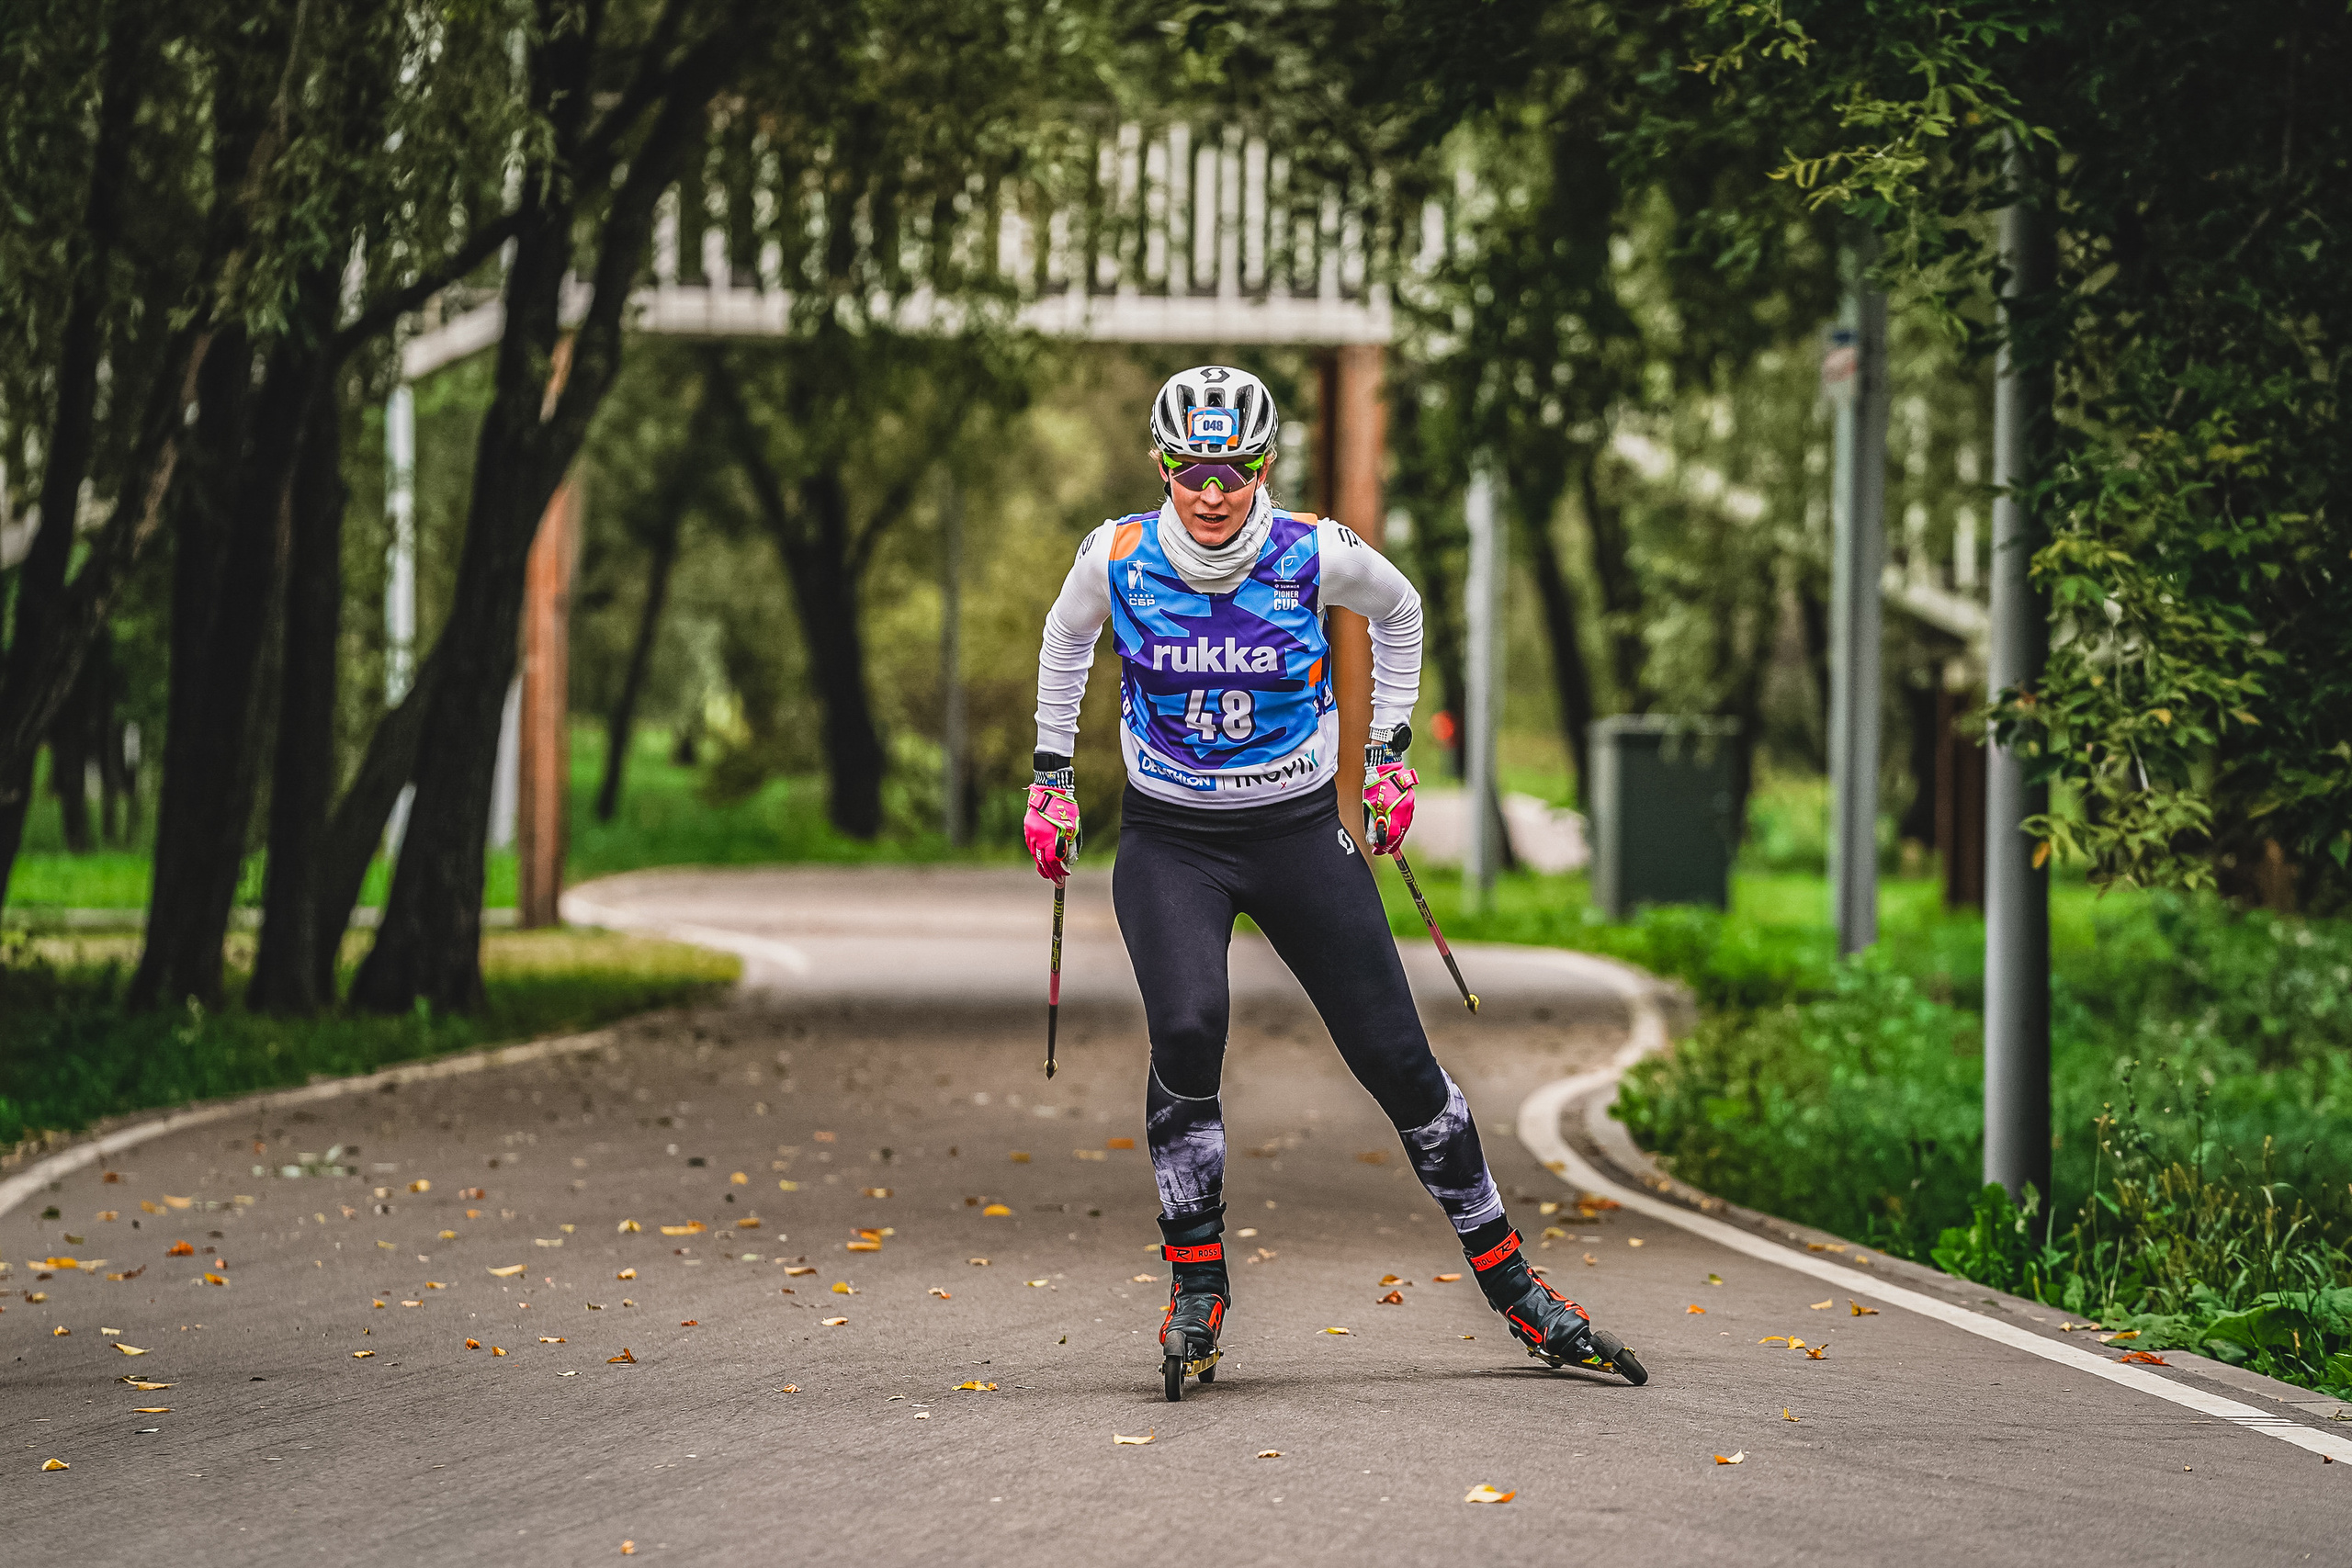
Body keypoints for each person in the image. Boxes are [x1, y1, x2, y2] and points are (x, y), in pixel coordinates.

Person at [1023, 365, 1645, 1400]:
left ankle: (1516, 1292)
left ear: (1263, 465)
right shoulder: (1117, 555)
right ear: (1162, 466)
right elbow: (1063, 639)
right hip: (1172, 839)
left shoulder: (1314, 551)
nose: (1211, 490)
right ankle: (1195, 1285)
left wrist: (1389, 754)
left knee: (1398, 1060)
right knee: (1187, 1026)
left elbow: (1399, 616)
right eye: (1189, 469)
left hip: (1299, 833)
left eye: (1232, 468)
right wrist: (1051, 780)